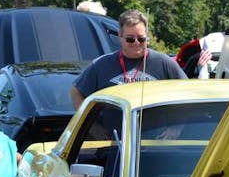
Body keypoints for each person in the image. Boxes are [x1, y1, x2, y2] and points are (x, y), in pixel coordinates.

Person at [70, 9, 211, 109]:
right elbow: (76, 91)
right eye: (130, 39)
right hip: (111, 143)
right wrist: (93, 128)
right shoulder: (101, 65)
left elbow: (189, 96)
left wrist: (175, 129)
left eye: (141, 38)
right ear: (120, 36)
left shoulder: (164, 63)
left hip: (154, 142)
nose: (137, 43)